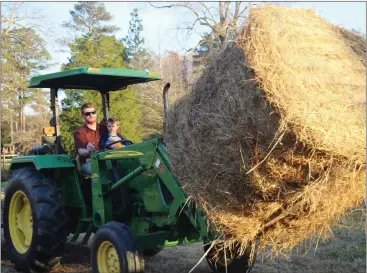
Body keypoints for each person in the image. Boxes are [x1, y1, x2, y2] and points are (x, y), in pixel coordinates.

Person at [74, 103, 107, 175]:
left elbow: (119, 140)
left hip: (108, 159)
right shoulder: (80, 132)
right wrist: (90, 151)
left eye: (93, 112)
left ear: (96, 113)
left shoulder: (105, 128)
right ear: (83, 116)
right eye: (87, 113)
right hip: (90, 161)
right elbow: (81, 151)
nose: (91, 115)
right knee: (100, 171)